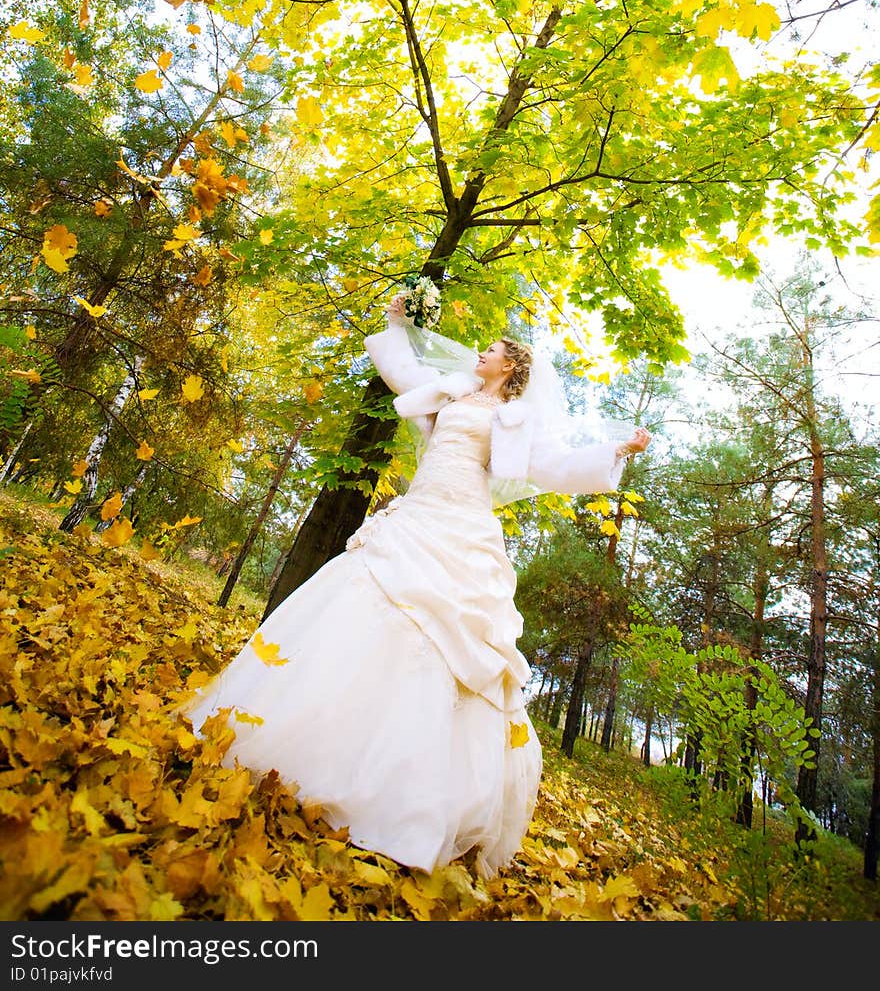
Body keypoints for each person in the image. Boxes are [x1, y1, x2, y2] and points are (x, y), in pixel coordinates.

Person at [182, 294, 651, 878]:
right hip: (417, 512)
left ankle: (406, 791)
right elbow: (403, 371)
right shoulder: (454, 390)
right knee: (364, 599)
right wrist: (396, 323)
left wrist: (615, 450)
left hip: (463, 525)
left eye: (492, 351)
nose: (480, 352)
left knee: (443, 634)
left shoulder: (515, 418)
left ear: (509, 368)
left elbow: (550, 465)